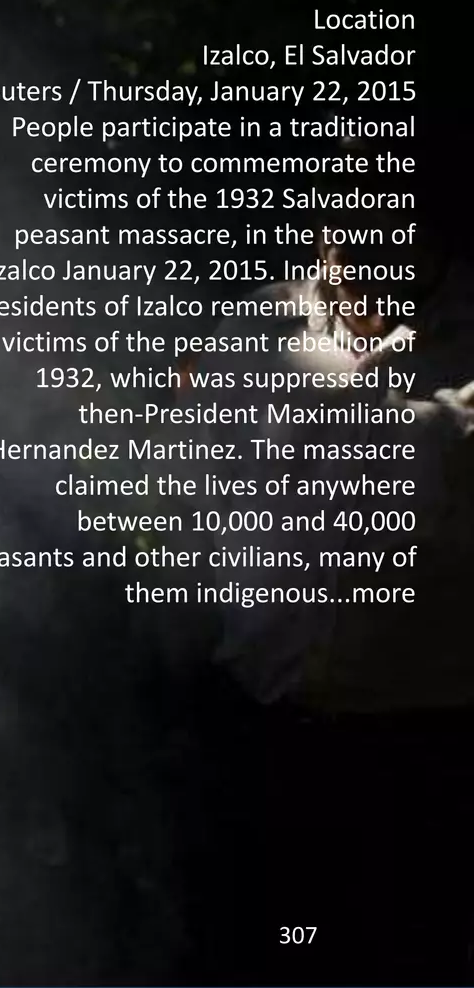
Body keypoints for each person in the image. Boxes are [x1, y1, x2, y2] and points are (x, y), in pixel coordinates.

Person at [177, 202, 474, 984]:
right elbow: (198, 496)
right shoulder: (257, 333)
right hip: (271, 732)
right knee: (281, 952)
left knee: (411, 959)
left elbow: (400, 500)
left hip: (428, 742)